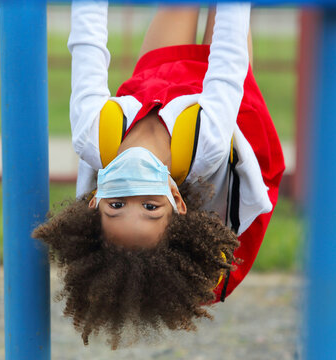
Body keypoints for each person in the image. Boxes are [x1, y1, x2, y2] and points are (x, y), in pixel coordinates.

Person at [33, 1, 285, 349]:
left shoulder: (93, 135)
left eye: (118, 204)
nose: (132, 191)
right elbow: (228, 52)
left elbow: (87, 42)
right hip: (218, 104)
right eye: (150, 206)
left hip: (152, 87)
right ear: (176, 199)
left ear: (95, 201)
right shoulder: (207, 140)